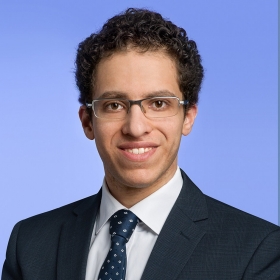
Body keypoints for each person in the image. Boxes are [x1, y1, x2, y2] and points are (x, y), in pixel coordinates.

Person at [2, 8, 280, 280]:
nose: (136, 128)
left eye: (158, 103)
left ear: (188, 118)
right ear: (88, 121)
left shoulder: (257, 251)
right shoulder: (30, 244)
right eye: (114, 105)